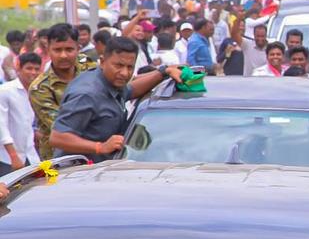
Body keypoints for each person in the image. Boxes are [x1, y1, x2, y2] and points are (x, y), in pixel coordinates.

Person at [49, 37, 183, 162]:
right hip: (76, 174)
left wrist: (163, 72)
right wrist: (99, 147)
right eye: (118, 65)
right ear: (102, 62)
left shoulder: (112, 82)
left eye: (130, 67)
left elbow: (131, 90)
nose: (124, 73)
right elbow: (58, 138)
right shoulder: (86, 94)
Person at [29, 23, 96, 161]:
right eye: (57, 50)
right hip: (60, 160)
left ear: (78, 48)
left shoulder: (88, 66)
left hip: (96, 153)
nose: (63, 55)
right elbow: (63, 127)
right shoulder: (40, 88)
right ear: (48, 50)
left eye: (69, 49)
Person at [0, 52, 42, 173]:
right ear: (19, 68)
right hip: (6, 157)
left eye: (36, 69)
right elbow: (1, 126)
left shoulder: (36, 92)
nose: (33, 73)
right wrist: (13, 156)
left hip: (30, 155)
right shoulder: (5, 91)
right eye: (29, 68)